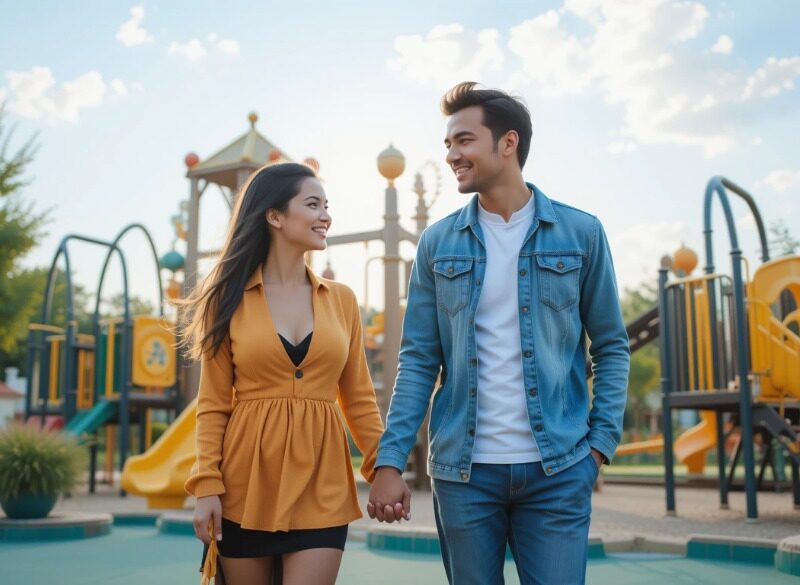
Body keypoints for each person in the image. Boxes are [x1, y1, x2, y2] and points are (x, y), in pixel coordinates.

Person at [368, 82, 630, 585]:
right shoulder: (437, 243)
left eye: (463, 140)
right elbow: (419, 360)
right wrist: (390, 460)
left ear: (507, 143)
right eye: (447, 144)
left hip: (559, 470)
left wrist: (599, 446)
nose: (451, 155)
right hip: (464, 475)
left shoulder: (582, 234)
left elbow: (612, 346)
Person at [182, 162, 384, 585]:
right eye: (313, 205)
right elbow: (214, 405)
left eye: (327, 206)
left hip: (323, 486)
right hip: (244, 491)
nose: (325, 216)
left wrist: (384, 469)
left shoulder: (343, 301)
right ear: (274, 216)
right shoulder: (226, 299)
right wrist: (206, 488)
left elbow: (359, 399)